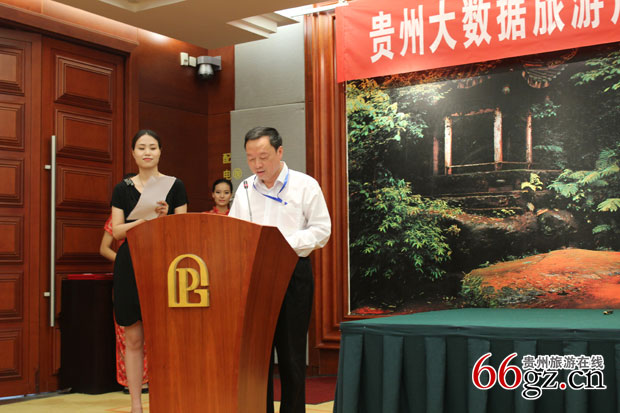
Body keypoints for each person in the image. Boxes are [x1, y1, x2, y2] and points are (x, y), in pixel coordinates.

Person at [229, 126, 331, 413]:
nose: (257, 165)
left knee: (291, 355)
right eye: (251, 158)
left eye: (263, 157)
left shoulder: (305, 185)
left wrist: (281, 245)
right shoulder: (245, 189)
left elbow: (321, 230)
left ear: (280, 151)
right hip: (255, 277)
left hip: (292, 273)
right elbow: (234, 231)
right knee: (257, 356)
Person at [110, 129, 188, 413]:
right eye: (141, 147)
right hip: (130, 262)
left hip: (164, 262)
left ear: (160, 152)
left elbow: (183, 231)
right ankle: (136, 405)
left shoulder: (174, 186)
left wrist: (164, 218)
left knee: (164, 337)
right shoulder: (122, 189)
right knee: (133, 338)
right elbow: (117, 231)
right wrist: (143, 222)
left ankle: (166, 401)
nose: (147, 152)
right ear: (133, 153)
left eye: (152, 147)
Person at [99, 209, 149, 394]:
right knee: (128, 334)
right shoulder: (116, 218)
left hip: (149, 271)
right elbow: (104, 248)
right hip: (127, 274)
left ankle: (149, 378)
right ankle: (131, 381)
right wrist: (125, 260)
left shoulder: (154, 214)